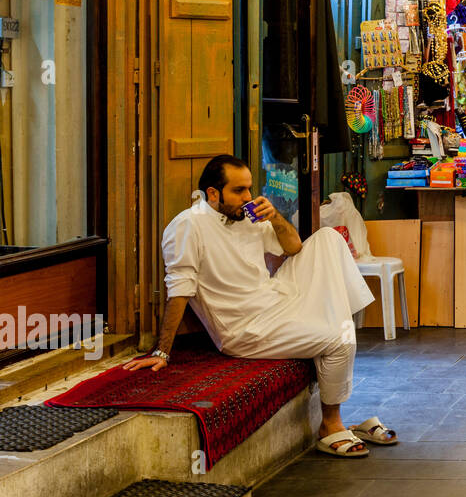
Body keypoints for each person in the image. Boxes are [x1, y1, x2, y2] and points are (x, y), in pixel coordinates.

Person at [124, 155, 392, 458]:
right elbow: (180, 289)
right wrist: (162, 351)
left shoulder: (247, 215)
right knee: (339, 339)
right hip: (245, 328)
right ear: (213, 194)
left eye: (250, 189)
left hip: (275, 298)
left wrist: (275, 217)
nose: (248, 198)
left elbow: (294, 248)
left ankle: (339, 333)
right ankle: (330, 424)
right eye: (239, 191)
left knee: (329, 239)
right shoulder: (188, 225)